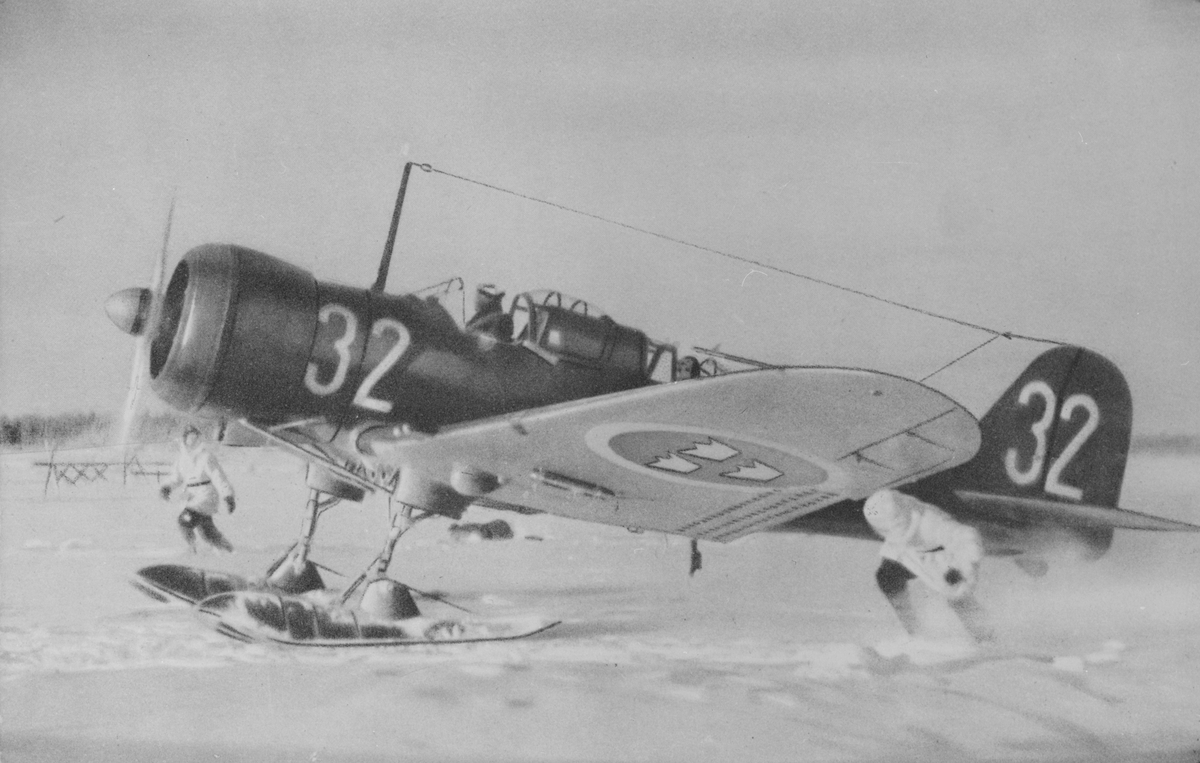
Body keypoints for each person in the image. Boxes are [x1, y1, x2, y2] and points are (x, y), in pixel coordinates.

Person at [863, 489, 993, 642]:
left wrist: (964, 570)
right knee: (886, 577)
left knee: (957, 594)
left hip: (945, 560)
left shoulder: (931, 522)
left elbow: (967, 537)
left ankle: (986, 638)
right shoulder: (894, 521)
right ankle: (915, 631)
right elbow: (896, 543)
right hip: (911, 555)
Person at [160, 424, 236, 553]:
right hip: (191, 496)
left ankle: (192, 549)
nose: (191, 441)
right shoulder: (182, 459)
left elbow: (218, 477)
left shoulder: (206, 457)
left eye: (194, 437)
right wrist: (167, 487)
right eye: (189, 437)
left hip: (206, 495)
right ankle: (229, 550)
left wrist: (228, 495)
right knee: (207, 532)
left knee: (185, 520)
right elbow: (176, 478)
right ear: (184, 439)